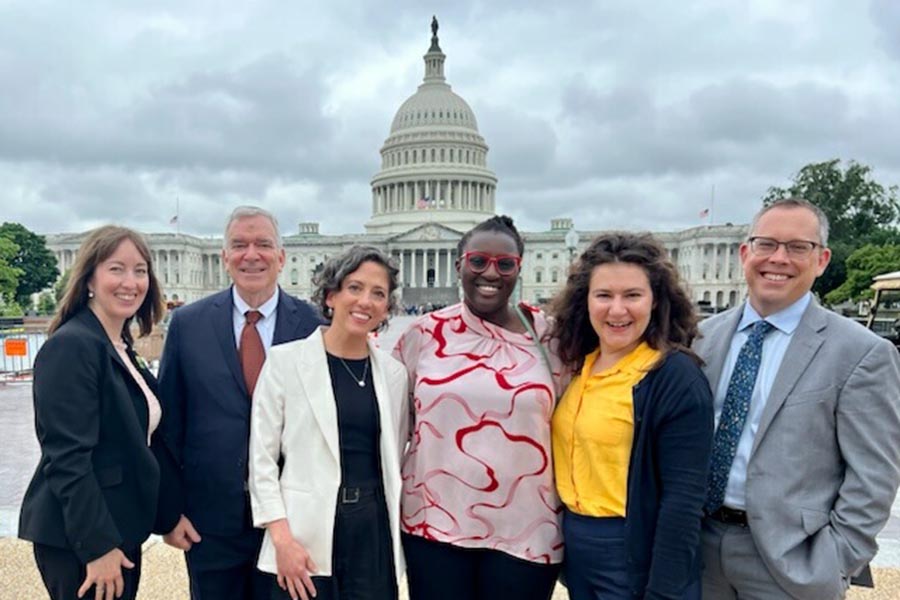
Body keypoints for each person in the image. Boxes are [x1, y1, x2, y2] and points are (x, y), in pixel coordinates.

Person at [694, 198, 900, 599]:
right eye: (767, 244)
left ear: (821, 259)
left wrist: (836, 559)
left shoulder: (861, 353)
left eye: (797, 247)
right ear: (745, 253)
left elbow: (874, 474)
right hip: (699, 550)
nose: (779, 258)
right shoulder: (702, 337)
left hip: (791, 563)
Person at [393, 215, 563, 600]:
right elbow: (394, 427)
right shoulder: (422, 334)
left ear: (519, 267)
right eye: (478, 261)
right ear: (460, 265)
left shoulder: (553, 338)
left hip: (527, 527)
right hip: (433, 522)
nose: (491, 273)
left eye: (505, 264)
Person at [155, 206, 321, 600]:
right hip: (209, 522)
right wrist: (168, 512)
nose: (252, 255)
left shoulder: (314, 325)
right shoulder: (188, 324)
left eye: (263, 244)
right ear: (224, 257)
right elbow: (169, 425)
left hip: (291, 521)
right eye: (239, 245)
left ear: (281, 258)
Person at [548, 232, 713, 600]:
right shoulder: (579, 366)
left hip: (631, 549)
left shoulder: (673, 377)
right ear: (585, 301)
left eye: (632, 295)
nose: (617, 310)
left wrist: (663, 591)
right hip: (578, 545)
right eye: (604, 295)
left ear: (655, 301)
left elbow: (683, 501)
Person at [249, 245, 408, 600]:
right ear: (332, 295)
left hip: (373, 533)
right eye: (355, 287)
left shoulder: (394, 374)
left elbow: (395, 452)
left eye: (378, 293)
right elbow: (261, 461)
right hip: (304, 535)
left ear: (387, 308)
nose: (365, 301)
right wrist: (282, 540)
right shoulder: (284, 363)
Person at [19, 225, 166, 600]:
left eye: (139, 270)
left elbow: (138, 444)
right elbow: (67, 457)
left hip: (116, 528)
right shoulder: (72, 346)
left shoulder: (118, 344)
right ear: (88, 278)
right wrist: (97, 547)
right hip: (82, 538)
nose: (130, 282)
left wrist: (169, 515)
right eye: (116, 268)